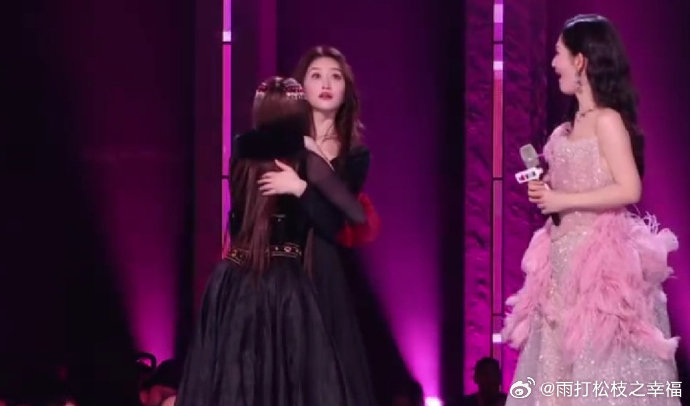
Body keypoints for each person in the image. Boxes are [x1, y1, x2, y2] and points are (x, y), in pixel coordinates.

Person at [503, 14, 680, 405]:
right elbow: (571, 189)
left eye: (559, 54)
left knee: (597, 366)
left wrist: (563, 200)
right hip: (559, 265)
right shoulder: (566, 128)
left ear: (580, 60)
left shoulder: (607, 121)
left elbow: (629, 188)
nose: (554, 64)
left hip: (598, 265)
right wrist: (548, 192)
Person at [175, 76, 366, 406]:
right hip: (282, 286)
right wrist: (302, 185)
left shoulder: (241, 150)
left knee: (235, 379)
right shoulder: (303, 157)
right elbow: (351, 215)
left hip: (233, 280)